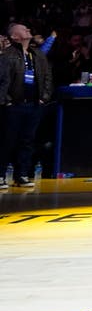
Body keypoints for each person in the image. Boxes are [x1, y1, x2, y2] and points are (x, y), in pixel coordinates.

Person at [0, 22, 55, 189]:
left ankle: (21, 175)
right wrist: (6, 100)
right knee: (7, 141)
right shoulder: (7, 55)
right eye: (24, 29)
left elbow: (47, 77)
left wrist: (43, 98)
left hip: (33, 105)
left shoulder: (37, 54)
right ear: (15, 36)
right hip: (13, 105)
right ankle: (1, 175)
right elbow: (3, 80)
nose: (29, 30)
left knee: (27, 141)